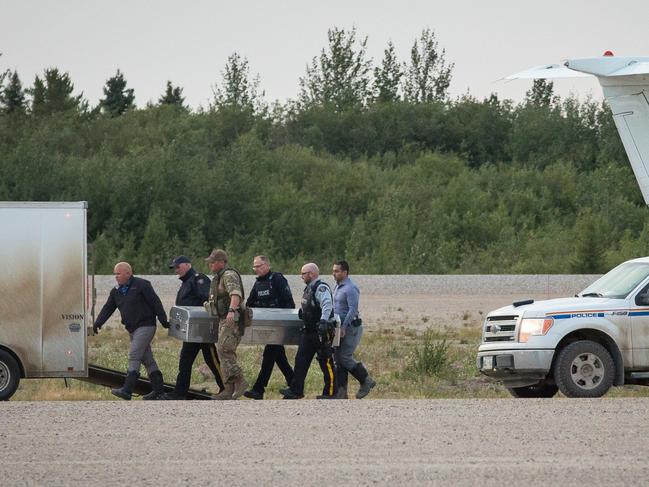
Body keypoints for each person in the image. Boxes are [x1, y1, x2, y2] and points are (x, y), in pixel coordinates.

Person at [93, 261, 169, 400]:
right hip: (132, 329)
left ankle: (127, 390)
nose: (116, 276)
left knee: (134, 355)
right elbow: (108, 308)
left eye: (118, 273)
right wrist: (98, 323)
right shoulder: (116, 291)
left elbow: (156, 302)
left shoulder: (141, 285)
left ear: (128, 273)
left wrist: (163, 320)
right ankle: (159, 391)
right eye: (115, 274)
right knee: (147, 359)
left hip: (146, 326)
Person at [160, 255, 225, 400]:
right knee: (185, 360)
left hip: (202, 328)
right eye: (174, 268)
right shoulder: (186, 282)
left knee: (212, 360)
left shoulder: (198, 279)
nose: (176, 270)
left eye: (178, 267)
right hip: (191, 331)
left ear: (187, 265)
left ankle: (227, 388)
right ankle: (179, 393)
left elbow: (207, 298)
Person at [281, 263, 337, 399]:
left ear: (311, 274)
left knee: (325, 360)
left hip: (321, 331)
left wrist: (323, 321)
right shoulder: (309, 289)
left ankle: (331, 392)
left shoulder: (321, 287)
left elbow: (327, 304)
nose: (301, 277)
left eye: (303, 274)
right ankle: (296, 391)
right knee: (301, 360)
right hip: (309, 332)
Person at [243, 255, 295, 400]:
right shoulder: (258, 283)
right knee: (279, 357)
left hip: (279, 326)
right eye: (254, 267)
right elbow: (250, 303)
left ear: (267, 265)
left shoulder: (278, 279)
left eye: (258, 266)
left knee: (269, 355)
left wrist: (284, 325)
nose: (256, 269)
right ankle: (295, 384)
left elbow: (289, 303)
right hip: (266, 326)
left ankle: (258, 389)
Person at [205, 249, 248, 400]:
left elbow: (235, 294)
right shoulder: (218, 277)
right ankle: (228, 389)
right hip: (224, 318)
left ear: (221, 262)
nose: (210, 265)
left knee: (224, 348)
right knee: (222, 351)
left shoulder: (229, 275)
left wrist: (231, 311)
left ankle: (240, 380)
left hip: (232, 318)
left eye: (213, 262)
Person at [332, 260, 376, 399]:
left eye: (337, 271)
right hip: (339, 327)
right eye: (333, 271)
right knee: (338, 359)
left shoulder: (351, 288)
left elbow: (353, 309)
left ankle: (366, 380)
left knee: (345, 357)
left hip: (351, 327)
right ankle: (341, 392)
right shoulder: (337, 287)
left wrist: (344, 327)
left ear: (345, 272)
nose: (334, 273)